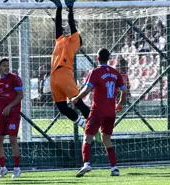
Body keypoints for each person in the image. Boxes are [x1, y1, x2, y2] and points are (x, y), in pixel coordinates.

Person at [71, 48, 127, 177]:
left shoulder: (95, 72)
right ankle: (114, 168)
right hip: (110, 112)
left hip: (97, 111)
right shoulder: (115, 73)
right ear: (109, 58)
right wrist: (120, 103)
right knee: (106, 139)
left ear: (97, 58)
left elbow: (87, 89)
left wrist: (76, 98)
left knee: (87, 136)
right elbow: (124, 91)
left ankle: (86, 164)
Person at [50, 0, 100, 141]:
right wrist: (59, 8)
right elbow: (58, 26)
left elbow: (72, 25)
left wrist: (70, 9)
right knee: (62, 108)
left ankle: (95, 127)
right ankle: (85, 125)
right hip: (54, 77)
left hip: (64, 73)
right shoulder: (60, 41)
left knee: (78, 102)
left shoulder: (75, 42)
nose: (71, 34)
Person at [0, 58, 23, 178]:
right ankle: (2, 168)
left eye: (7, 65)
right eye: (4, 65)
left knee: (13, 140)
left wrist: (9, 107)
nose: (7, 68)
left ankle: (17, 168)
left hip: (12, 114)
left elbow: (20, 95)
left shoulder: (15, 78)